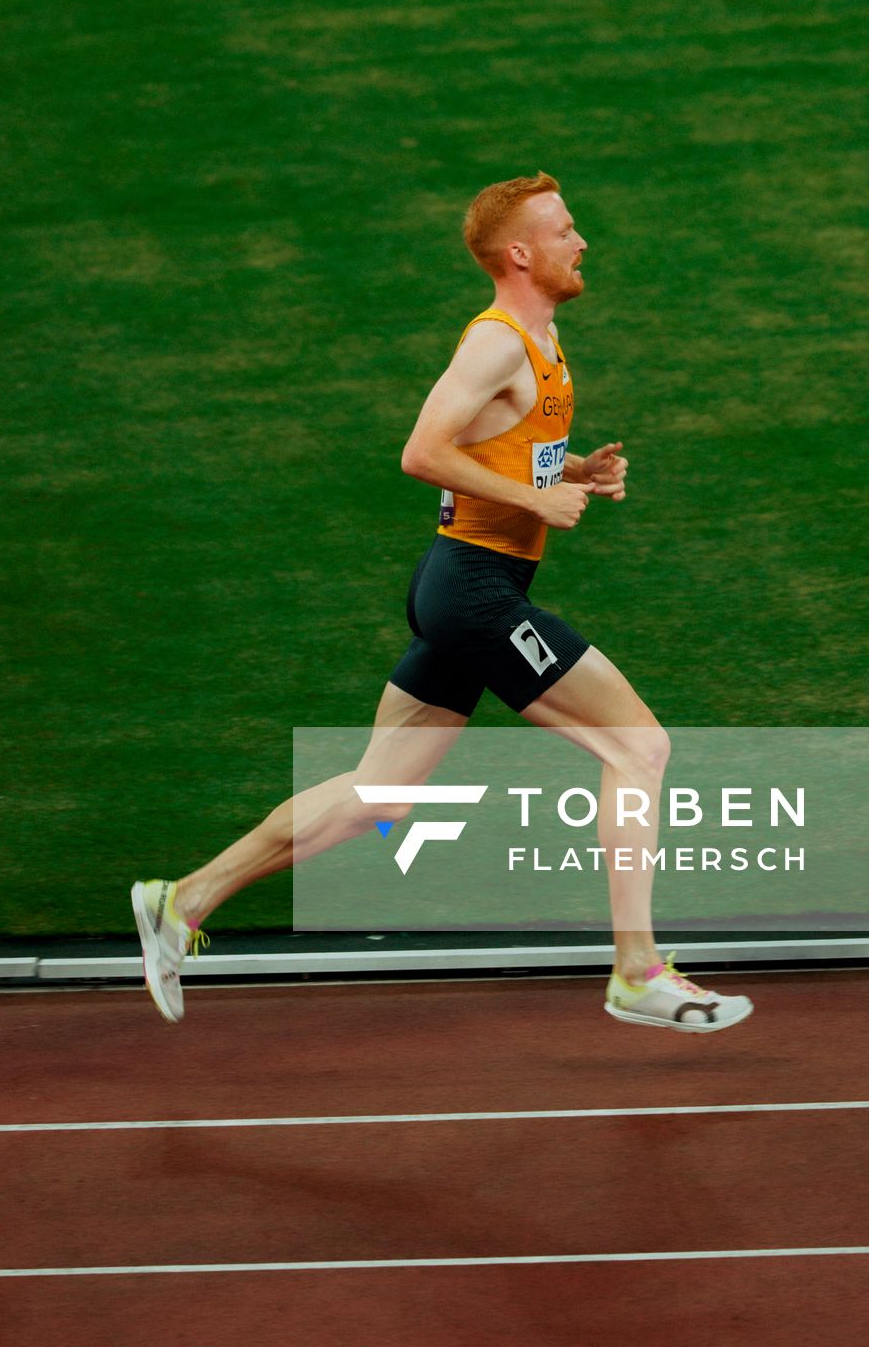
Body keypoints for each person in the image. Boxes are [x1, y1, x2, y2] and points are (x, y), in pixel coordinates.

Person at [132, 171, 752, 1035]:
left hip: (464, 587)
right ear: (520, 254)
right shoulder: (497, 341)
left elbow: (495, 442)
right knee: (640, 746)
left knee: (381, 795)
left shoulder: (542, 337)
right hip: (473, 590)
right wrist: (536, 503)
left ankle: (182, 900)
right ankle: (637, 971)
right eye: (565, 231)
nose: (582, 242)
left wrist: (573, 471)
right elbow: (421, 452)